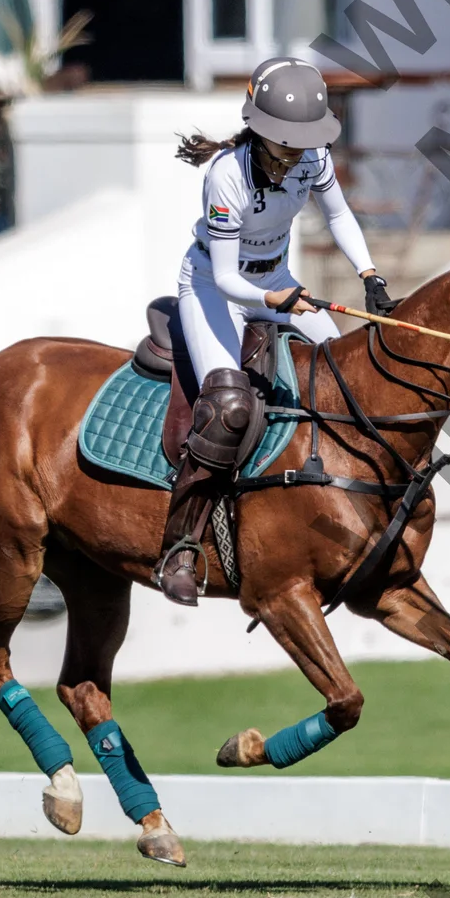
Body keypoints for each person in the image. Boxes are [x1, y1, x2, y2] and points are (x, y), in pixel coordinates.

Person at [155, 57, 399, 605]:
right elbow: (226, 277)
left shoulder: (313, 157)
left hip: (277, 280)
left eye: (305, 140)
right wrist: (273, 299)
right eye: (287, 141)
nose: (297, 152)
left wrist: (370, 276)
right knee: (227, 407)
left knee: (345, 374)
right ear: (259, 129)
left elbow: (338, 216)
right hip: (215, 290)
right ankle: (181, 547)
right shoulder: (226, 174)